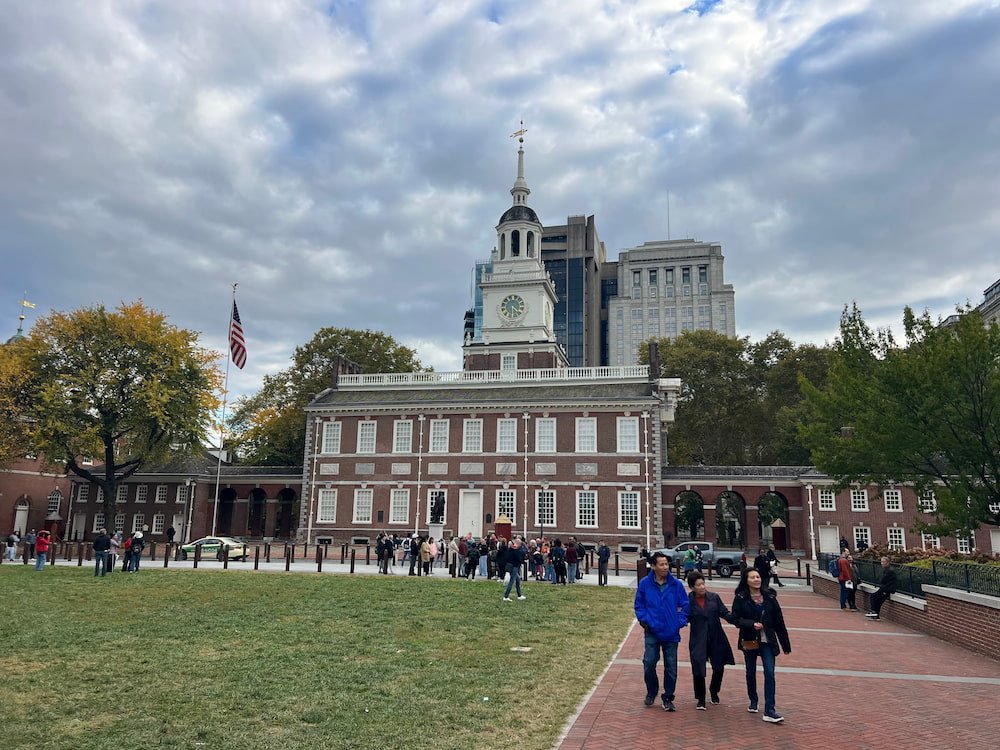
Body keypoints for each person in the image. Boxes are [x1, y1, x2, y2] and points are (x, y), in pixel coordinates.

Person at [731, 567, 791, 723]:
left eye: (757, 576)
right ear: (746, 580)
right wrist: (751, 624)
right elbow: (736, 619)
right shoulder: (741, 597)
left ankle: (770, 710)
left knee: (769, 673)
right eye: (752, 577)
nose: (756, 579)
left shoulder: (770, 597)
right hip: (750, 639)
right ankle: (753, 699)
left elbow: (779, 621)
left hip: (767, 640)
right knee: (750, 672)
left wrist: (785, 644)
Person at [634, 551, 689, 712]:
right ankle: (652, 691)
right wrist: (645, 621)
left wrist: (679, 622)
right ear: (653, 566)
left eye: (666, 564)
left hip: (671, 633)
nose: (665, 567)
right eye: (662, 564)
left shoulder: (676, 584)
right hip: (652, 631)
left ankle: (668, 697)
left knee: (671, 667)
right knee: (649, 663)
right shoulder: (645, 583)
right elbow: (639, 605)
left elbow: (685, 605)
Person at [686, 571, 735, 709]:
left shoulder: (714, 597)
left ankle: (714, 690)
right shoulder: (687, 601)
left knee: (719, 667)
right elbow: (682, 618)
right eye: (698, 585)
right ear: (692, 587)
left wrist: (737, 619)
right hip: (698, 639)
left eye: (703, 584)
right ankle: (700, 698)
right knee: (698, 668)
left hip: (716, 637)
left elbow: (724, 613)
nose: (702, 587)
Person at [866, 557, 898, 621]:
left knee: (873, 596)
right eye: (881, 562)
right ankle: (876, 615)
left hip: (887, 589)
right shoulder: (886, 570)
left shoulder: (890, 571)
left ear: (887, 562)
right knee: (878, 601)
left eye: (883, 562)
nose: (882, 563)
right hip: (885, 588)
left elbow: (883, 580)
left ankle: (873, 611)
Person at [502, 537, 528, 601]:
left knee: (518, 580)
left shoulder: (510, 549)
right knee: (511, 582)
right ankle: (506, 596)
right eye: (520, 544)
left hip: (510, 566)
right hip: (514, 567)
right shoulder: (515, 550)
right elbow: (519, 558)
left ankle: (519, 595)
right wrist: (523, 561)